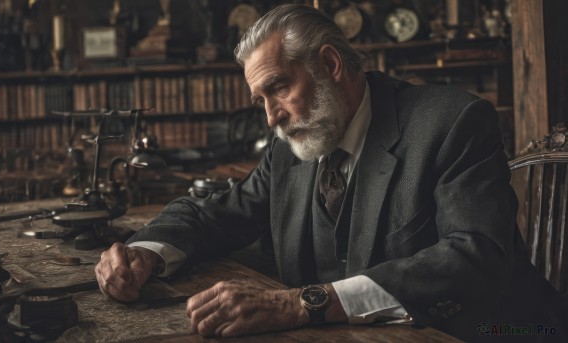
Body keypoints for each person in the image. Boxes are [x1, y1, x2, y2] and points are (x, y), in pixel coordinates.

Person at [96, 4, 567, 342]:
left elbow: (475, 258)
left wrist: (302, 303)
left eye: (277, 89)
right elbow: (217, 214)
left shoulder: (452, 122)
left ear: (330, 64)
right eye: (260, 100)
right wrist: (143, 252)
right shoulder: (291, 149)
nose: (271, 118)